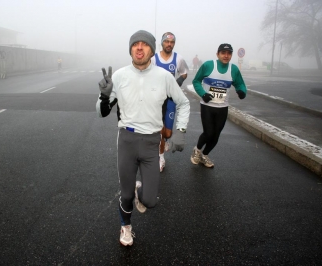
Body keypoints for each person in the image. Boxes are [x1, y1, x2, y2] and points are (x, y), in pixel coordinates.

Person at [95, 30, 190, 246]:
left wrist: (180, 131)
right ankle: (125, 227)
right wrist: (103, 96)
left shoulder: (164, 77)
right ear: (130, 49)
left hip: (151, 143)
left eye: (144, 44)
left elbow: (183, 103)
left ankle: (141, 191)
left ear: (151, 50)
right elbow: (101, 112)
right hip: (126, 140)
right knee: (126, 195)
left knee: (150, 201)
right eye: (135, 44)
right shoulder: (119, 76)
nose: (139, 48)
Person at [191, 43, 247, 168]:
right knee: (209, 132)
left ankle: (204, 155)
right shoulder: (208, 65)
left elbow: (240, 84)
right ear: (218, 54)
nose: (226, 56)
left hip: (223, 107)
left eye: (229, 53)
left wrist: (242, 92)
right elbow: (196, 81)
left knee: (216, 136)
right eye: (223, 53)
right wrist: (203, 93)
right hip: (207, 106)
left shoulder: (234, 69)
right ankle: (197, 149)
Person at [152, 32, 188, 172]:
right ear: (162, 43)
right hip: (157, 99)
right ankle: (160, 157)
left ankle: (165, 141)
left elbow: (184, 72)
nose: (169, 44)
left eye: (172, 42)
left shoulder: (178, 59)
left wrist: (180, 79)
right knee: (159, 131)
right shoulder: (154, 59)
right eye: (166, 42)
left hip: (171, 99)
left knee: (167, 133)